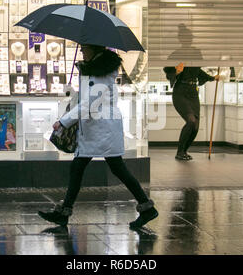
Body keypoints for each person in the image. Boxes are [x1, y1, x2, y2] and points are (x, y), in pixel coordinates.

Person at [38, 44, 158, 229]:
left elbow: (90, 104)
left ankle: (146, 207)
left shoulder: (101, 73)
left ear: (95, 50)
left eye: (85, 48)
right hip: (95, 130)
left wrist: (64, 121)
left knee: (114, 169)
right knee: (82, 168)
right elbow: (87, 99)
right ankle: (64, 212)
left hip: (102, 130)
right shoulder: (94, 70)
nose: (82, 51)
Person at [164, 24, 220, 161]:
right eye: (185, 38)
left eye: (189, 38)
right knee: (190, 121)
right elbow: (167, 69)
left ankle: (184, 151)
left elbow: (197, 71)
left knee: (195, 126)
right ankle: (179, 152)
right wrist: (176, 71)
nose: (187, 40)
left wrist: (212, 78)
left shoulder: (196, 53)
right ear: (181, 39)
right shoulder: (176, 54)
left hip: (193, 92)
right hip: (181, 92)